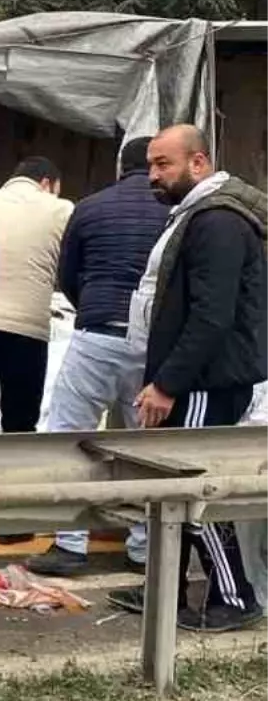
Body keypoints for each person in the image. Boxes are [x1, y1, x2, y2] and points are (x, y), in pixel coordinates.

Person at [109, 123, 268, 632]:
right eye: (152, 164)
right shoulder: (196, 215)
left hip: (204, 380)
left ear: (198, 163)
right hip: (193, 375)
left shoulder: (217, 221)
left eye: (164, 164)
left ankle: (235, 597)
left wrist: (168, 383)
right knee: (168, 490)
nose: (153, 175)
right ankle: (165, 591)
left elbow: (211, 315)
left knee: (191, 492)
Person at [28, 137, 168, 577]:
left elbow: (68, 276)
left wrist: (91, 307)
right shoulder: (176, 211)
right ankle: (143, 549)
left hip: (97, 334)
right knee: (145, 448)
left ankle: (70, 545)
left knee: (71, 436)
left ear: (120, 167)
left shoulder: (88, 207)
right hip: (152, 346)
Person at [0, 157, 73, 435]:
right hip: (28, 330)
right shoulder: (63, 208)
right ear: (47, 183)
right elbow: (70, 267)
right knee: (20, 424)